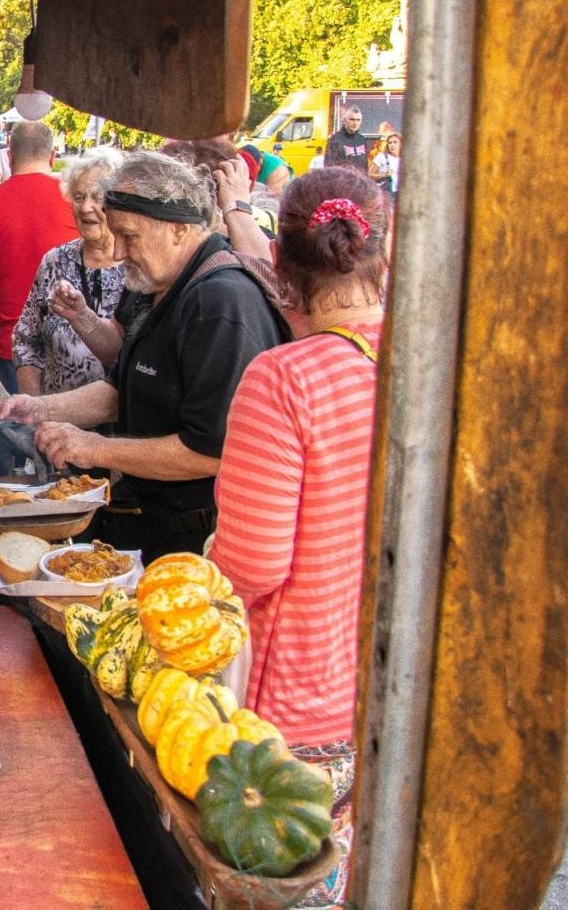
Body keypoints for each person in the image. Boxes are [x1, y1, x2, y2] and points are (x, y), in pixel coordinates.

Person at [209, 168, 389, 909]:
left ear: (279, 269)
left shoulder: (284, 380)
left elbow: (249, 564)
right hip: (390, 696)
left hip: (297, 715)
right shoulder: (438, 363)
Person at [0, 150, 290, 561]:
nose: (117, 254)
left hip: (201, 538)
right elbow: (123, 386)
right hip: (150, 516)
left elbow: (209, 451)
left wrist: (94, 448)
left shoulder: (220, 305)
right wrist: (41, 408)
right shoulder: (151, 281)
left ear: (179, 229)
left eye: (129, 236)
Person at [0, 121, 79, 394]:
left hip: (13, 349)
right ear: (52, 156)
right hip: (73, 346)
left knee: (19, 431)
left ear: (10, 157)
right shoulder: (76, 200)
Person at [12, 147, 127, 395]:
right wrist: (36, 409)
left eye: (97, 197)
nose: (86, 207)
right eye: (78, 197)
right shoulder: (55, 262)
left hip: (121, 428)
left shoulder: (138, 269)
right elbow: (26, 341)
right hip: (56, 420)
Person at [323, 105, 371, 173]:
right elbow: (329, 167)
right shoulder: (335, 140)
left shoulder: (362, 140)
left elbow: (365, 165)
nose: (355, 123)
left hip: (360, 181)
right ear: (345, 120)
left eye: (358, 120)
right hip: (343, 181)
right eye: (352, 119)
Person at [370, 131, 401, 201]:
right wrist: (384, 175)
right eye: (390, 143)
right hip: (387, 193)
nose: (392, 145)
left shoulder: (404, 158)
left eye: (395, 142)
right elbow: (370, 175)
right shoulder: (382, 157)